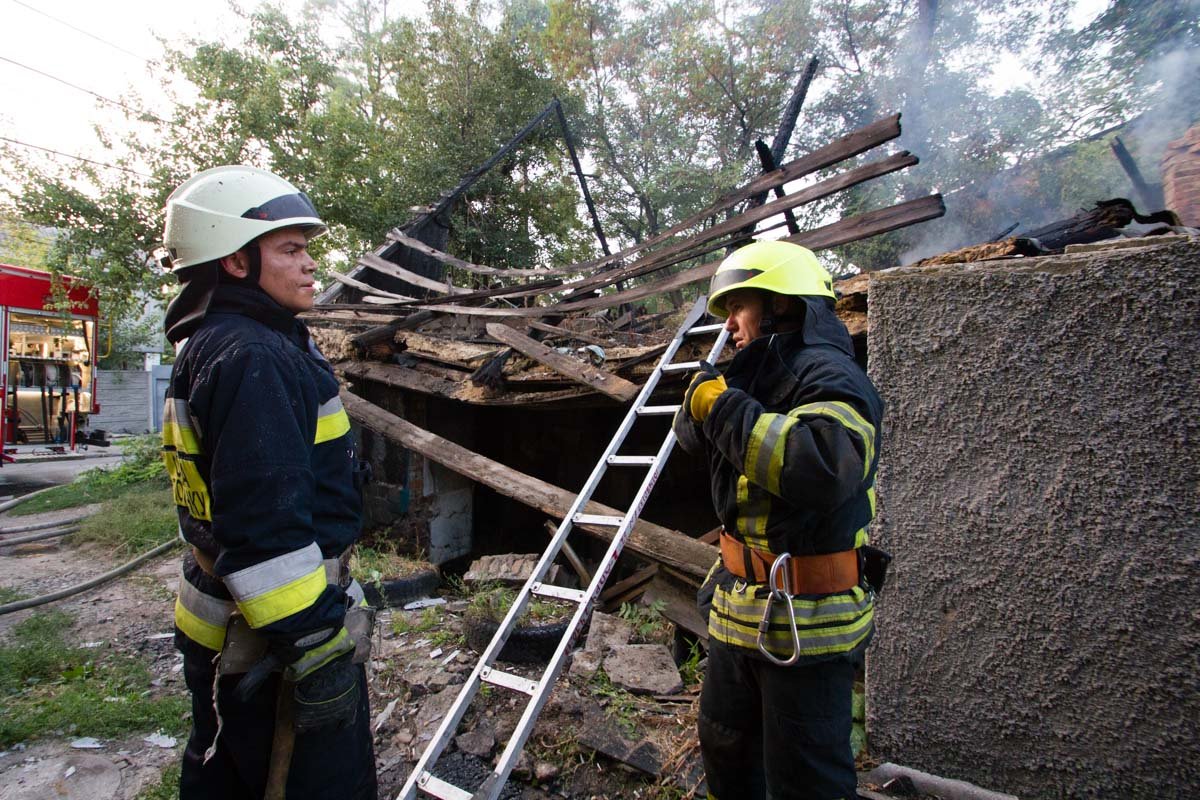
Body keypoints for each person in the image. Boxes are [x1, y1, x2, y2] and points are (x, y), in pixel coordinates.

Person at [160, 165, 376, 799]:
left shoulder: (221, 343)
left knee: (223, 771)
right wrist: (313, 644)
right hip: (268, 644)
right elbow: (264, 524)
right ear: (234, 262)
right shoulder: (252, 355)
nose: (311, 265)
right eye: (291, 249)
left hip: (231, 625)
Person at [673, 240, 884, 800]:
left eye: (739, 307)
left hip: (806, 628)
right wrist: (705, 400)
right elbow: (694, 440)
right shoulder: (751, 377)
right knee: (727, 756)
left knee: (804, 781)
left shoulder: (831, 376)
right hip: (736, 613)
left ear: (781, 304)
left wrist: (722, 406)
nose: (730, 326)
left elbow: (821, 466)